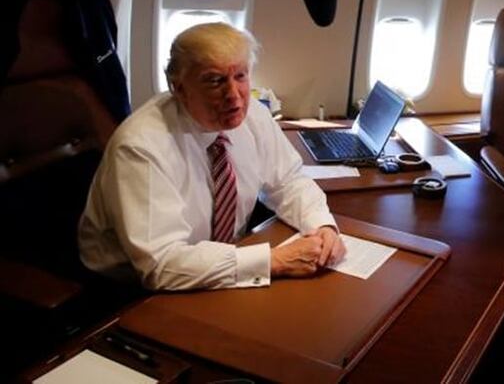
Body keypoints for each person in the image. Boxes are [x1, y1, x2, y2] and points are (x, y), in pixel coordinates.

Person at [79, 22, 346, 290]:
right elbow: (161, 266)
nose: (234, 96)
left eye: (240, 76)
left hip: (222, 262)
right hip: (131, 290)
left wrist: (321, 226)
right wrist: (273, 260)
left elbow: (288, 180)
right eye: (215, 81)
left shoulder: (252, 114)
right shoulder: (141, 147)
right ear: (179, 88)